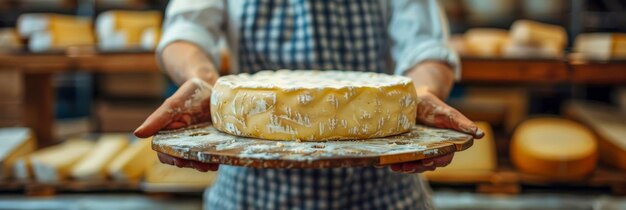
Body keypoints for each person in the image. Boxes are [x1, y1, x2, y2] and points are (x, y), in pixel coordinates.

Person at [135, 0, 484, 209]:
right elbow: (186, 31)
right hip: (252, 195)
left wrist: (420, 91)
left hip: (382, 195)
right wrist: (200, 79)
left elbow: (425, 45)